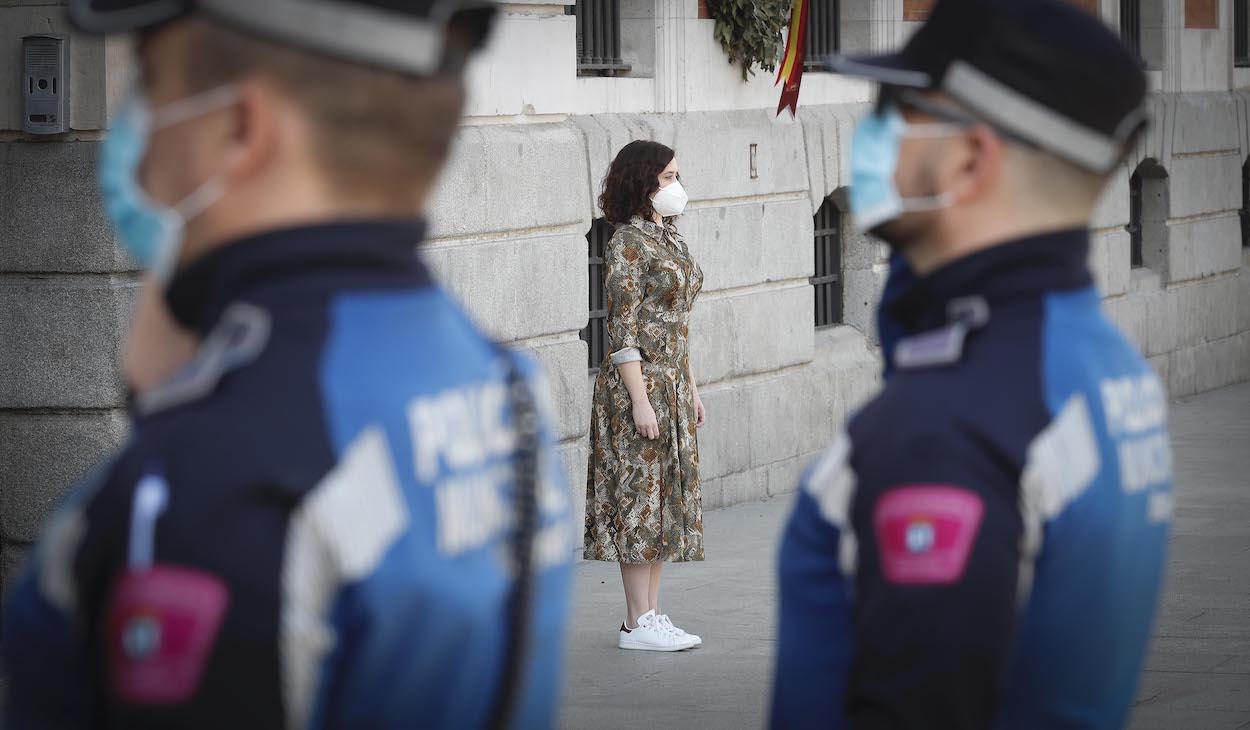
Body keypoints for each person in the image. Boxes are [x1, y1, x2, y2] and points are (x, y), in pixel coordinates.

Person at [1, 1, 574, 728]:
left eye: (149, 82)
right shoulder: (504, 380)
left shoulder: (212, 489)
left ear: (237, 130)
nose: (132, 132)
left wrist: (179, 448)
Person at [771, 0, 1173, 727]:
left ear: (970, 157)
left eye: (897, 108)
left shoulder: (945, 431)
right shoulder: (1101, 360)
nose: (875, 135)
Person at [584, 141, 707, 652]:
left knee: (663, 505)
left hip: (673, 384)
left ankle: (652, 613)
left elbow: (678, 326)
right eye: (668, 176)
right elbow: (624, 329)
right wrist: (639, 399)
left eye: (678, 175)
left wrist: (692, 389)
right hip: (640, 386)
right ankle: (636, 621)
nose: (677, 186)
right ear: (643, 182)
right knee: (638, 500)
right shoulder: (628, 243)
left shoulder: (669, 237)